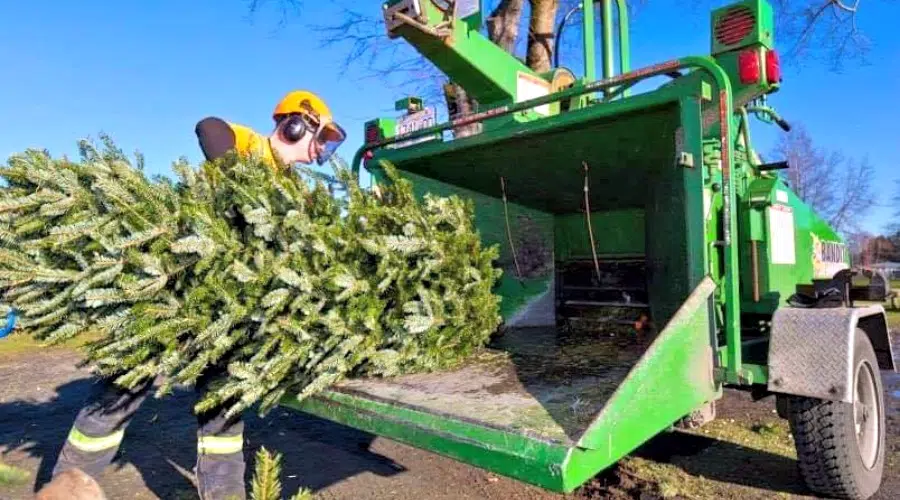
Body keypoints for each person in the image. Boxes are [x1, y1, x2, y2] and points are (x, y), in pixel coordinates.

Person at [47, 90, 347, 500]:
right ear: (296, 125)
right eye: (320, 137)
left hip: (227, 311)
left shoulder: (291, 187)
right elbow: (210, 126)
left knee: (224, 409)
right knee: (122, 388)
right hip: (172, 293)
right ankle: (64, 490)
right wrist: (239, 184)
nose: (321, 151)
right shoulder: (251, 146)